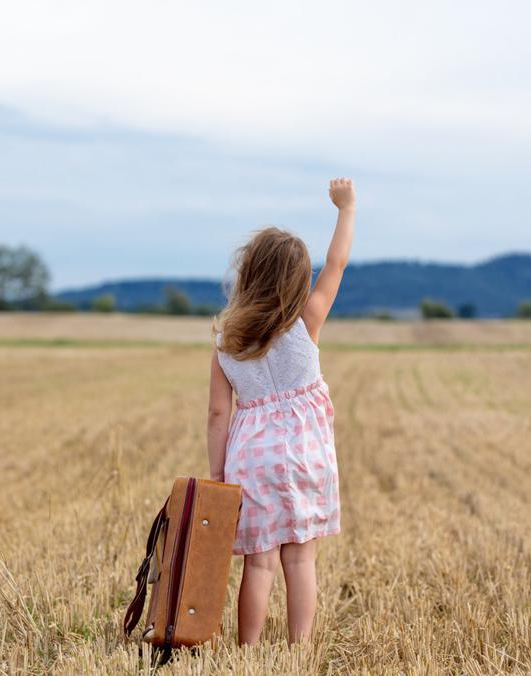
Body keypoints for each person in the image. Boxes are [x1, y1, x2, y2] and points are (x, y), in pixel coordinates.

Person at [207, 177, 356, 646]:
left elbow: (217, 415)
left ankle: (248, 649)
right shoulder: (307, 321)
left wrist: (219, 476)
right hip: (305, 456)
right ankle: (299, 650)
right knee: (300, 559)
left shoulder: (226, 343)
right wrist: (346, 209)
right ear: (297, 280)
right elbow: (337, 263)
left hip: (251, 459)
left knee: (259, 561)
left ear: (247, 275)